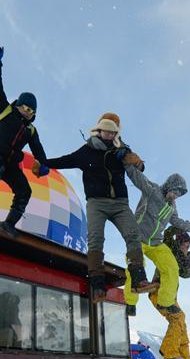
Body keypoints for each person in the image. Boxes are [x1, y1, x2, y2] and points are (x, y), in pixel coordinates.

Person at [45, 113, 152, 301]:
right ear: (99, 131)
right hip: (97, 203)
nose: (110, 136)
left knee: (133, 234)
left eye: (113, 133)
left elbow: (139, 168)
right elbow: (66, 160)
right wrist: (45, 165)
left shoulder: (122, 150)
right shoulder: (86, 151)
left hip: (120, 203)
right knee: (96, 239)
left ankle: (138, 279)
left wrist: (137, 162)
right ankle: (97, 285)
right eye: (107, 132)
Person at [0, 45, 49, 238]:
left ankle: (10, 224)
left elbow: (38, 150)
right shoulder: (4, 109)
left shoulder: (30, 130)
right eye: (26, 107)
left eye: (32, 111)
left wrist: (43, 164)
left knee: (25, 190)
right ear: (18, 104)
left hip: (11, 162)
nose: (28, 112)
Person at [122, 165, 190, 316]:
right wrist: (127, 162)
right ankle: (130, 303)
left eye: (179, 194)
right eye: (175, 191)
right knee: (136, 266)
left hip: (156, 243)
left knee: (171, 268)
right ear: (169, 185)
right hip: (138, 238)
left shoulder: (171, 206)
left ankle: (166, 302)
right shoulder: (152, 190)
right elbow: (138, 178)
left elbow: (175, 220)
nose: (176, 195)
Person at [148, 229, 190, 359]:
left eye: (189, 247)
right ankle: (169, 351)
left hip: (170, 296)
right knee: (176, 317)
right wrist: (181, 227)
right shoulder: (169, 247)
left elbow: (188, 273)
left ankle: (184, 356)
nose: (186, 249)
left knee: (181, 317)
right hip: (158, 292)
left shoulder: (181, 257)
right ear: (180, 242)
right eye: (185, 245)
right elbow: (168, 232)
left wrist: (186, 255)